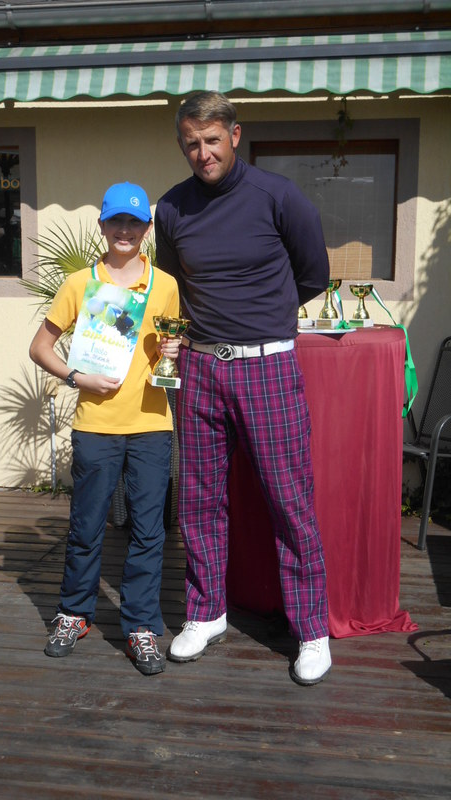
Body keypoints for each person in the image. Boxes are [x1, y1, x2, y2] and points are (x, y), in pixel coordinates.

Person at [154, 91, 332, 685]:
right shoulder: (171, 208)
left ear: (234, 135)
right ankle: (206, 613)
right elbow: (173, 285)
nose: (202, 153)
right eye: (191, 143)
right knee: (199, 499)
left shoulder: (278, 196)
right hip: (201, 368)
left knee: (290, 501)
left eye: (212, 140)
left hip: (267, 368)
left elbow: (313, 274)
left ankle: (311, 630)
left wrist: (264, 319)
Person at [29, 182, 180, 676]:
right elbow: (40, 347)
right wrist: (77, 377)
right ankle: (74, 614)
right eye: (116, 220)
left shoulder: (165, 285)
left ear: (146, 229)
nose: (124, 230)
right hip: (95, 424)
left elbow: (167, 352)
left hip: (152, 423)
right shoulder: (80, 284)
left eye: (134, 222)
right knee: (86, 525)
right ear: (102, 225)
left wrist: (173, 350)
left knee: (149, 530)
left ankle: (141, 626)